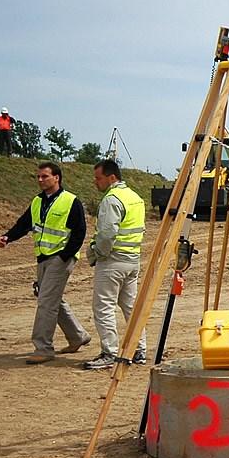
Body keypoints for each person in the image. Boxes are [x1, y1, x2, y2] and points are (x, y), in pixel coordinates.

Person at [0, 161, 91, 364]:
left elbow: (80, 232)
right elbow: (24, 223)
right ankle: (77, 336)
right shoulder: (38, 201)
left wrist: (66, 255)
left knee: (46, 302)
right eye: (38, 177)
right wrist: (8, 237)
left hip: (60, 257)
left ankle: (43, 348)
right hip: (43, 256)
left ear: (56, 178)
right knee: (50, 298)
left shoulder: (70, 201)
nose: (40, 180)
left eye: (44, 176)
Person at [83, 159, 147, 371]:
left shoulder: (112, 199)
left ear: (111, 177)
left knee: (104, 307)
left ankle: (109, 352)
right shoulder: (135, 197)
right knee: (130, 307)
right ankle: (139, 349)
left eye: (98, 178)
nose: (95, 182)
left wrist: (97, 253)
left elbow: (107, 233)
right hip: (132, 260)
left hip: (112, 261)